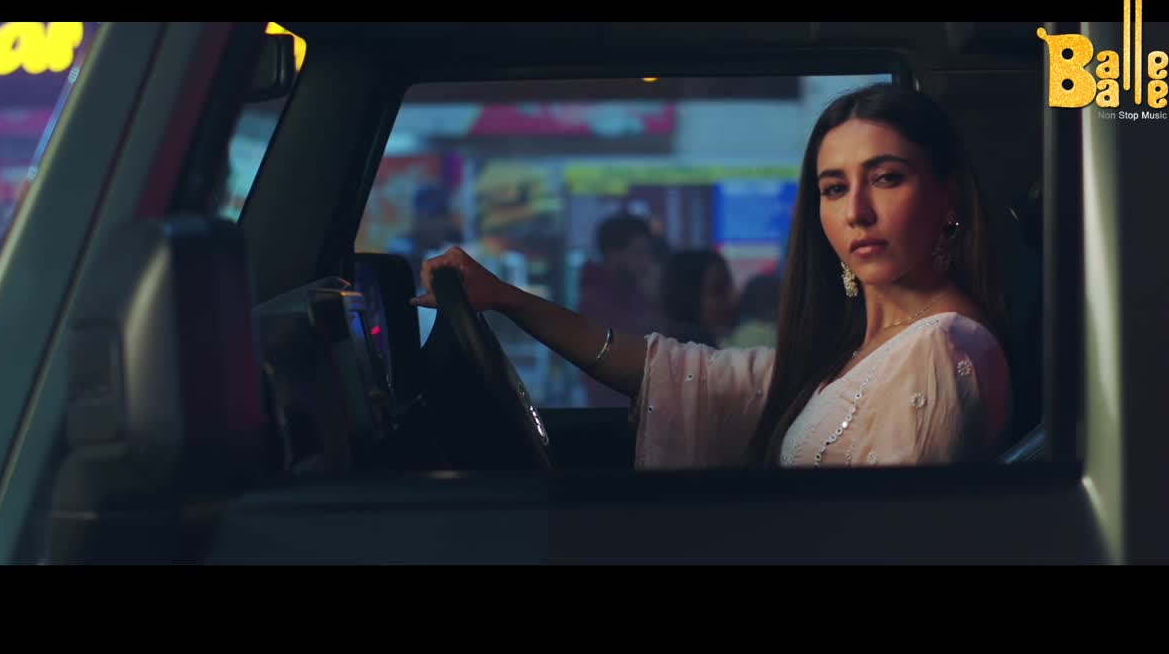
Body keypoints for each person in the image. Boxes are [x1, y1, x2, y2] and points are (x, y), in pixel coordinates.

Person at [413, 83, 1011, 470]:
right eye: (834, 188)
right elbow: (679, 373)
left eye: (885, 178)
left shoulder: (941, 348)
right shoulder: (850, 349)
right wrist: (504, 299)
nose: (856, 211)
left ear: (947, 197)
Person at [575, 213, 667, 406]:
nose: (645, 263)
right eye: (638, 254)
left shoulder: (626, 291)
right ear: (613, 254)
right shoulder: (597, 301)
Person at [659, 249, 736, 347]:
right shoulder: (695, 350)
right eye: (718, 291)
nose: (732, 300)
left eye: (729, 288)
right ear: (688, 298)